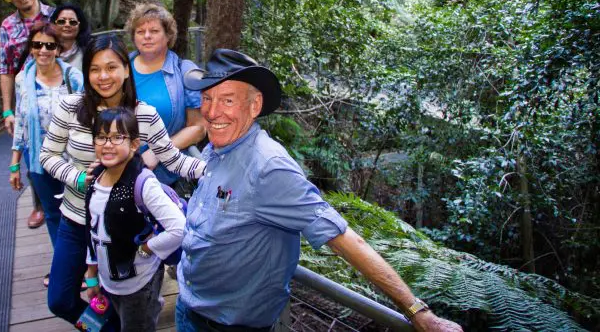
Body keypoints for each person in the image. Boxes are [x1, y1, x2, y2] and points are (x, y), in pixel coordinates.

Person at [175, 49, 463, 332]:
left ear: (255, 105)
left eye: (227, 100)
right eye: (207, 98)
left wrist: (415, 310)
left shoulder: (268, 168)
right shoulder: (218, 148)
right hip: (188, 307)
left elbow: (342, 237)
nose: (211, 112)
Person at [39, 35, 206, 328]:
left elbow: (174, 160)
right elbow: (48, 156)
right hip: (77, 219)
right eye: (95, 69)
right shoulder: (70, 107)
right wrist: (80, 179)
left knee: (122, 302)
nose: (103, 76)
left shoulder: (144, 114)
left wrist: (213, 171)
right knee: (60, 299)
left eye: (111, 67)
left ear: (126, 70)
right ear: (86, 72)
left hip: (124, 226)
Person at [84, 107, 185, 332]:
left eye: (117, 137)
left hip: (138, 285)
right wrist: (92, 276)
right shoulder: (96, 178)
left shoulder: (143, 183)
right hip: (108, 282)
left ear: (134, 144)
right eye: (101, 137)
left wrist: (147, 249)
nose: (108, 144)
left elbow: (179, 228)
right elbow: (92, 229)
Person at [8, 22, 83, 270]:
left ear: (58, 49)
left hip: (72, 158)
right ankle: (64, 267)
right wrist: (14, 163)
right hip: (39, 158)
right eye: (37, 44)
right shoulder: (23, 79)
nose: (43, 50)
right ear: (31, 48)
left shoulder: (73, 77)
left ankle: (86, 265)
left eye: (49, 46)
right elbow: (21, 121)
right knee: (53, 214)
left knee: (78, 211)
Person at [126, 4, 205, 193]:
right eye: (140, 31)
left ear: (168, 35)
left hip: (164, 178)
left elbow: (199, 128)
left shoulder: (184, 71)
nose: (146, 36)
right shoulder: (120, 66)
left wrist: (158, 152)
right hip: (120, 169)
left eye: (154, 31)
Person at [0, 0, 54, 229]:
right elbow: (6, 68)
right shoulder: (7, 26)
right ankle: (40, 204)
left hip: (56, 90)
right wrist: (7, 110)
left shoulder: (55, 16)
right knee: (33, 149)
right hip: (27, 97)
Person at [51, 2, 91, 71]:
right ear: (54, 25)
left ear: (80, 26)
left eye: (72, 22)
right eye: (62, 21)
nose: (67, 25)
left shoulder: (88, 51)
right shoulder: (45, 49)